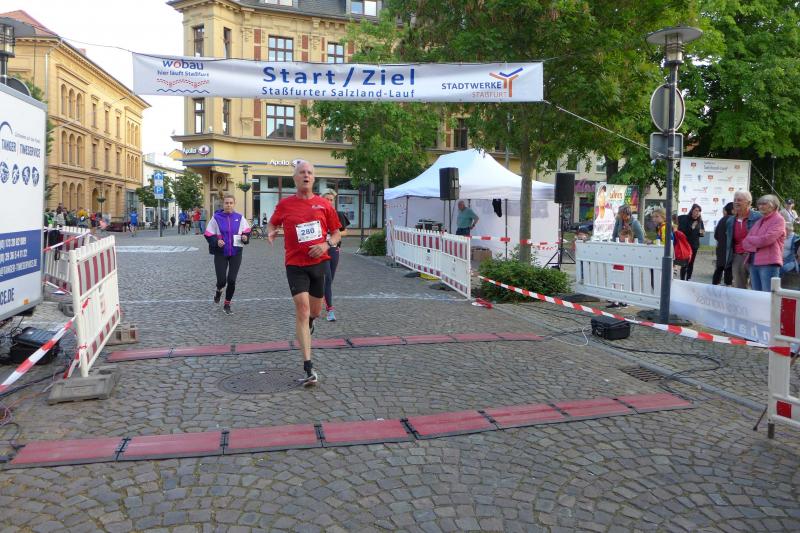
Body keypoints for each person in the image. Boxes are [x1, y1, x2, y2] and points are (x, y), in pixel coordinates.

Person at [267, 160, 342, 386]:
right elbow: (272, 224)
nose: (306, 175)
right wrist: (271, 232)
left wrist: (326, 245)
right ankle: (308, 367)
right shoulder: (285, 205)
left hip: (319, 264)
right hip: (295, 264)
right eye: (302, 172)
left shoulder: (324, 205)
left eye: (309, 172)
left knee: (314, 312)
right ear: (295, 178)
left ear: (314, 178)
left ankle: (311, 322)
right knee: (302, 308)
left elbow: (337, 233)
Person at [204, 193, 251, 314]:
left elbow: (246, 231)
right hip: (221, 253)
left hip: (236, 252)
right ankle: (218, 291)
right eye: (226, 203)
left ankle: (227, 304)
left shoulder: (240, 218)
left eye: (231, 203)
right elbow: (208, 233)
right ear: (223, 204)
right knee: (221, 281)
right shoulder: (216, 218)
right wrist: (216, 241)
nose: (228, 205)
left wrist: (245, 237)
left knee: (231, 280)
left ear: (234, 204)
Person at [742, 195, 785, 292]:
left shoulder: (779, 220)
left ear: (774, 205)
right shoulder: (760, 221)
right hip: (753, 262)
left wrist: (751, 240)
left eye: (764, 204)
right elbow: (745, 243)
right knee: (757, 294)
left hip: (769, 263)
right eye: (759, 204)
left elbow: (765, 240)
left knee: (767, 295)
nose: (760, 206)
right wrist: (755, 241)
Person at [321, 189, 350, 322]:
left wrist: (334, 233)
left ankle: (320, 297)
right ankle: (330, 310)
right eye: (326, 199)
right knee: (327, 278)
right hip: (321, 250)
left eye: (331, 200)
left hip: (333, 249)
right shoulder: (316, 214)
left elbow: (345, 232)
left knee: (329, 280)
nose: (329, 201)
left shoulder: (338, 214)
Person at [726, 191, 762, 289]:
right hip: (737, 257)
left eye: (739, 200)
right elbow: (729, 242)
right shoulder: (730, 221)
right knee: (739, 287)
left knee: (756, 287)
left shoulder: (758, 217)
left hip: (754, 256)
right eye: (735, 200)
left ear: (749, 203)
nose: (736, 202)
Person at [677, 203, 705, 280]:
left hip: (694, 245)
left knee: (691, 263)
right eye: (696, 210)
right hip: (686, 245)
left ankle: (688, 278)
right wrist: (692, 227)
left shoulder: (700, 221)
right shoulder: (686, 219)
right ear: (692, 211)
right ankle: (682, 279)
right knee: (685, 263)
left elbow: (702, 234)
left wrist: (702, 231)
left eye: (699, 211)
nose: (697, 212)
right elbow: (683, 232)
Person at [712, 202, 734, 286]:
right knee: (728, 269)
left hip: (720, 248)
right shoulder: (733, 220)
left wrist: (721, 241)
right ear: (732, 210)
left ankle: (714, 286)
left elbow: (716, 235)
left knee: (719, 268)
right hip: (729, 249)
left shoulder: (722, 220)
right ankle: (727, 286)